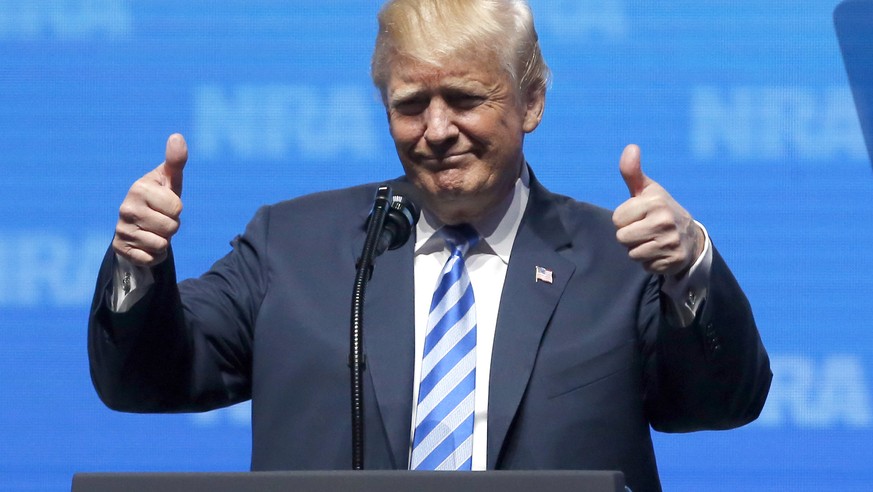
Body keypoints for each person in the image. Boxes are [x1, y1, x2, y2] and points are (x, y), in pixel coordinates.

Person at [88, 0, 772, 490]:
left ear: (531, 101)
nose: (436, 129)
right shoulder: (291, 245)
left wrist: (690, 269)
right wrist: (137, 266)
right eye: (411, 104)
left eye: (465, 98)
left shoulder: (617, 259)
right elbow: (146, 381)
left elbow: (720, 404)